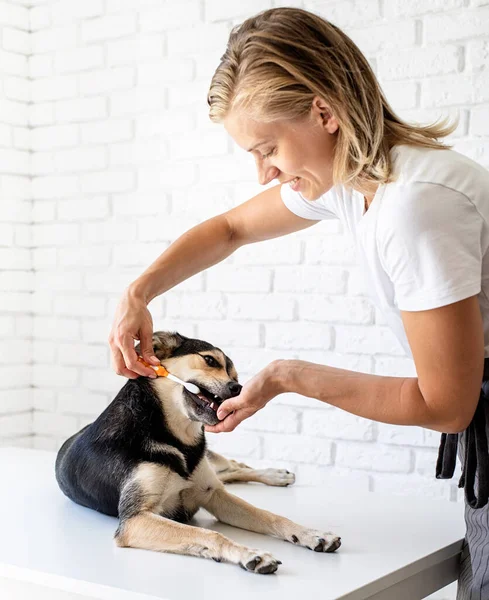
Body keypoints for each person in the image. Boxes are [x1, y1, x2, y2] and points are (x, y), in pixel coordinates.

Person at [108, 8, 489, 598]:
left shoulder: (416, 207)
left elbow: (445, 406)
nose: (264, 173)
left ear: (324, 111)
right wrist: (139, 293)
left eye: (268, 148)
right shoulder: (357, 184)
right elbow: (232, 229)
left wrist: (290, 376)